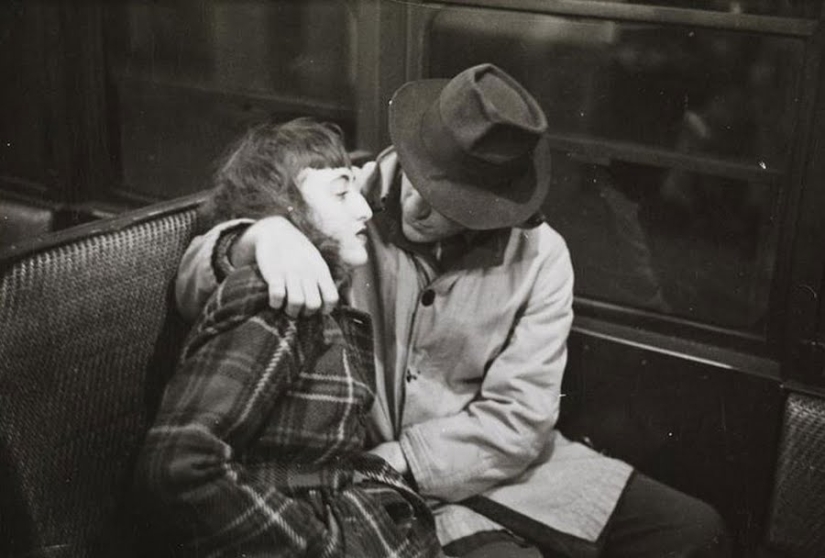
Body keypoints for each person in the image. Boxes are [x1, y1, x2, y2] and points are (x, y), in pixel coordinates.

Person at [176, 65, 730, 557]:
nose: (416, 206)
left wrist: (407, 459)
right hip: (369, 476)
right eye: (419, 179)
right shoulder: (351, 201)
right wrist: (254, 239)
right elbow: (198, 284)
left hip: (496, 465)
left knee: (696, 531)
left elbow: (522, 419)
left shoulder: (540, 257)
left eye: (449, 204)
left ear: (492, 209)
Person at [134, 118, 444, 558]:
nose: (365, 210)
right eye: (341, 193)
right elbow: (178, 467)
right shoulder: (278, 299)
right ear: (286, 209)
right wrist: (320, 546)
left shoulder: (320, 289)